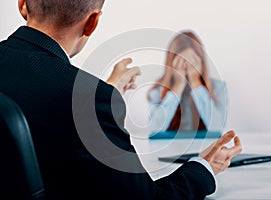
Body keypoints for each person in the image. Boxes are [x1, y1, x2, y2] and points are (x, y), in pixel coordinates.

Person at [0, 0, 242, 199]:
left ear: (22, 5)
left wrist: (104, 93)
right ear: (92, 23)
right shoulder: (90, 98)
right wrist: (206, 167)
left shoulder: (90, 98)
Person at [148, 31, 227, 133]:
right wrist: (178, 86)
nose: (186, 66)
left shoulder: (218, 87)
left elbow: (217, 127)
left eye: (192, 61)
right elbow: (155, 128)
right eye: (180, 61)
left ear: (201, 62)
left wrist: (195, 82)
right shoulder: (158, 90)